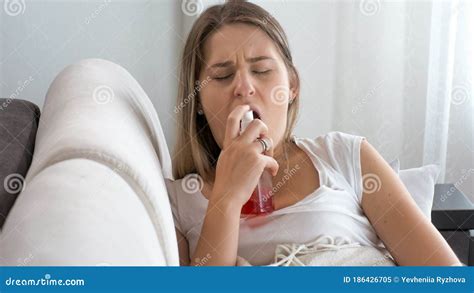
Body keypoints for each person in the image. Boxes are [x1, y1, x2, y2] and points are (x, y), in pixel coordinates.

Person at [167, 0, 461, 266]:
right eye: (222, 75)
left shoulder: (345, 156)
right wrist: (227, 198)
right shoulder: (180, 202)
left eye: (262, 70)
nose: (244, 87)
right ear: (198, 102)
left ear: (292, 86)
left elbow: (445, 277)